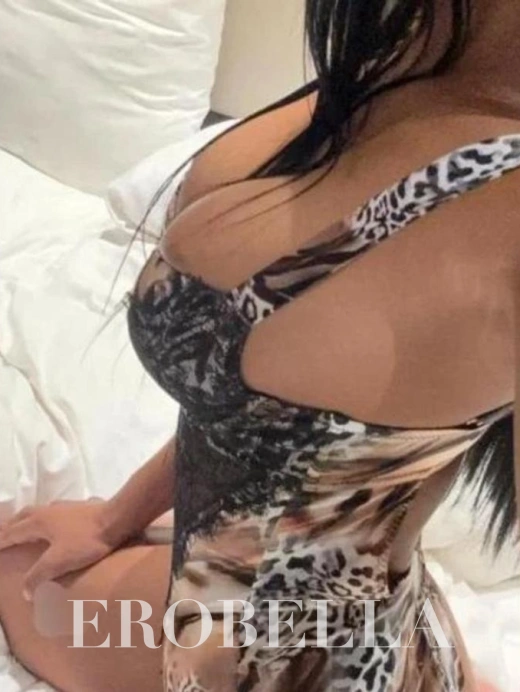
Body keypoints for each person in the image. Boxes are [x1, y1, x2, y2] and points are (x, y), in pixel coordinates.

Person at [0, 0, 518, 689]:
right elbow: (254, 414)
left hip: (314, 663)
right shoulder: (399, 59)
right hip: (249, 597)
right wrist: (113, 518)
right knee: (20, 565)